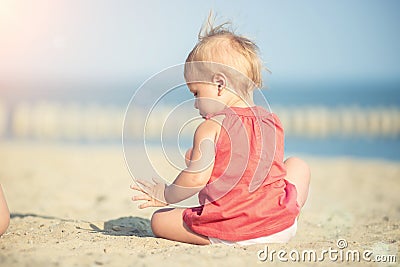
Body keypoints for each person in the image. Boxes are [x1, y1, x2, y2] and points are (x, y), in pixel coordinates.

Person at [131, 15, 310, 245]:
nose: (195, 103)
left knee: (159, 221)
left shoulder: (211, 127)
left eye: (196, 92)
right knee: (297, 165)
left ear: (219, 84)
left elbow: (196, 178)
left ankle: (213, 237)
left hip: (234, 230)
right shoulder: (272, 122)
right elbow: (255, 168)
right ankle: (289, 212)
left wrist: (166, 195)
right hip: (280, 227)